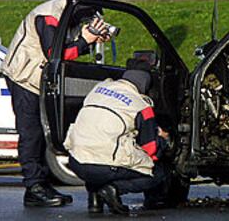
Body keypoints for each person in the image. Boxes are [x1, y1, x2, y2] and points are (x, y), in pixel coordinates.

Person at [2, 0, 110, 207]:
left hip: (40, 79)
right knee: (31, 133)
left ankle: (40, 183)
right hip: (24, 78)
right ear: (81, 3)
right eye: (90, 12)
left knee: (43, 133)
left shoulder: (69, 12)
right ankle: (34, 187)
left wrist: (89, 40)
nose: (90, 16)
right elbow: (55, 54)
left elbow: (67, 46)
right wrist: (84, 42)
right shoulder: (48, 15)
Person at [64, 59, 170, 215]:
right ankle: (113, 190)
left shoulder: (99, 88)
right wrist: (162, 138)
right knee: (158, 173)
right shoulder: (142, 105)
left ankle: (94, 199)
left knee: (96, 146)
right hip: (104, 167)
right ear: (146, 83)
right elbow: (150, 148)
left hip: (76, 161)